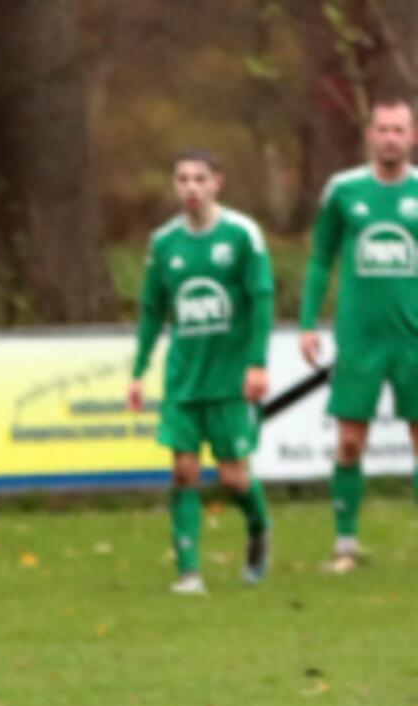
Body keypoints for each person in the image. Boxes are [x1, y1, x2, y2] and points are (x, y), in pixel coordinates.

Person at [128, 149, 274, 594]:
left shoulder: (242, 234)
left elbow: (261, 298)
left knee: (233, 478)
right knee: (184, 471)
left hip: (228, 379)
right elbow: (153, 310)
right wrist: (138, 371)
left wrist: (256, 363)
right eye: (183, 179)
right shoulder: (164, 243)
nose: (191, 187)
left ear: (217, 183)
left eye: (200, 178)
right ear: (175, 186)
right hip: (183, 379)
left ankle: (259, 527)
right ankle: (189, 573)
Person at [300, 97, 418, 574]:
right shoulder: (344, 190)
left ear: (413, 136)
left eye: (399, 129)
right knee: (349, 443)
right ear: (370, 134)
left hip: (413, 341)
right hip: (360, 340)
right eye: (383, 129)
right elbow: (320, 257)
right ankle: (345, 545)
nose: (391, 137)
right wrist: (308, 323)